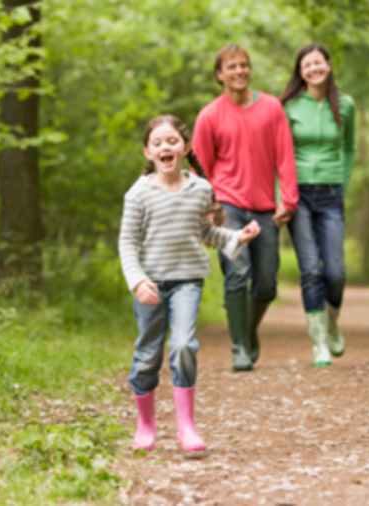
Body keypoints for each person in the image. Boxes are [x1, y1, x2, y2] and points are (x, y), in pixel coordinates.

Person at [119, 115, 261, 452]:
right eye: (157, 143)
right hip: (150, 285)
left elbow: (206, 232)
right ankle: (146, 425)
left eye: (172, 141)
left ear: (184, 147)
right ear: (148, 152)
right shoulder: (138, 194)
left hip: (188, 281)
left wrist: (237, 237)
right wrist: (137, 281)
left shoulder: (200, 188)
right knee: (147, 356)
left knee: (183, 345)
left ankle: (186, 426)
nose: (165, 147)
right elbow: (127, 242)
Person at [193, 44, 299, 372]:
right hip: (227, 207)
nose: (239, 71)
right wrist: (207, 211)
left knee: (266, 281)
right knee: (238, 272)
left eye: (244, 65)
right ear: (219, 75)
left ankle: (248, 331)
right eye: (232, 66)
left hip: (265, 208)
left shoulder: (271, 108)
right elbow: (199, 168)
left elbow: (285, 155)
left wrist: (289, 200)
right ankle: (239, 346)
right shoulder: (210, 115)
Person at [280, 44, 356, 367]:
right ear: (300, 72)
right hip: (297, 195)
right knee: (311, 270)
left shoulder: (347, 105)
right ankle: (319, 343)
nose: (313, 69)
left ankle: (332, 322)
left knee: (335, 272)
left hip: (331, 194)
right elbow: (279, 154)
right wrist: (281, 196)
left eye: (318, 62)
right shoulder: (290, 107)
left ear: (328, 65)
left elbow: (349, 147)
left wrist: (343, 180)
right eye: (306, 65)